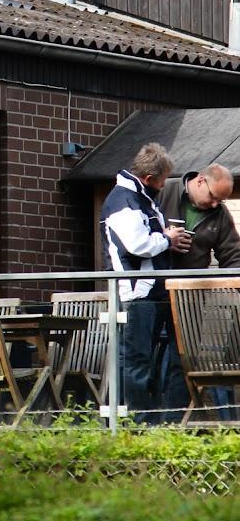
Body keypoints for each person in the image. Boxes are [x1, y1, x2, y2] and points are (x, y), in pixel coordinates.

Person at [101, 142, 191, 423]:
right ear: (150, 178)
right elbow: (136, 244)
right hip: (136, 293)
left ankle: (144, 422)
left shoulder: (139, 198)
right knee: (136, 361)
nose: (164, 187)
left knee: (143, 360)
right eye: (163, 181)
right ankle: (135, 426)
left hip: (151, 290)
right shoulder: (123, 202)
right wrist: (168, 239)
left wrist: (165, 240)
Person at [160, 163, 238, 419]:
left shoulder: (219, 214)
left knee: (180, 358)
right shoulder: (164, 191)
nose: (216, 204)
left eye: (222, 200)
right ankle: (140, 420)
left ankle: (172, 422)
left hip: (188, 297)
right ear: (201, 181)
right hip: (150, 288)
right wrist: (162, 239)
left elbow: (232, 255)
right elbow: (134, 229)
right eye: (214, 197)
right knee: (142, 356)